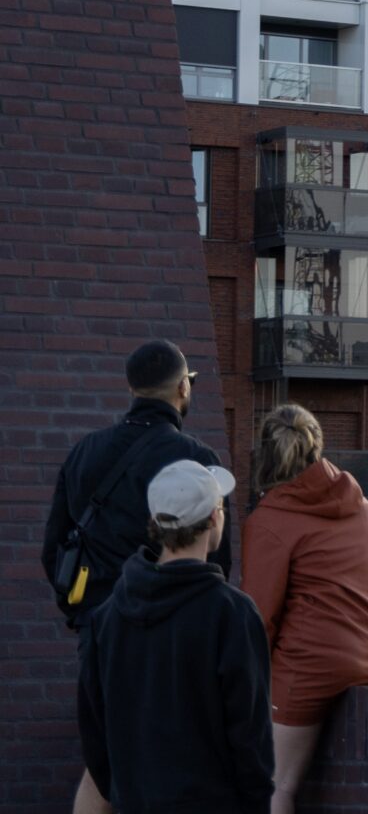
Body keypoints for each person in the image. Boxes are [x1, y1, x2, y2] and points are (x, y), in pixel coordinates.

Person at [42, 339, 232, 814]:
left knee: (103, 767)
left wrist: (83, 612)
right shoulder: (196, 458)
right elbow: (218, 562)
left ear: (131, 387)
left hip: (99, 631)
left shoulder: (85, 452)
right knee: (173, 761)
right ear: (183, 389)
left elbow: (54, 550)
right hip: (175, 635)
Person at [77, 459, 273, 813]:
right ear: (214, 518)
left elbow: (95, 734)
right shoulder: (232, 614)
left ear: (155, 522)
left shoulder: (106, 618)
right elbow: (251, 738)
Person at [241, 404, 368, 814]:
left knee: (273, 785)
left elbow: (259, 620)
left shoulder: (271, 519)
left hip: (312, 666)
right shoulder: (362, 507)